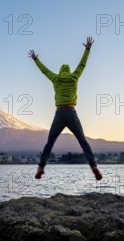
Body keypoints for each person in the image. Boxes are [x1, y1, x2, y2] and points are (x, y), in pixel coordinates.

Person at [29, 36, 103, 180]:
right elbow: (82, 64)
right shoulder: (74, 77)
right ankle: (94, 166)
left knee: (50, 142)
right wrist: (87, 49)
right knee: (83, 141)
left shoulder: (55, 78)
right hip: (71, 112)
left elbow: (44, 71)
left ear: (60, 71)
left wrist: (35, 59)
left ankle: (41, 167)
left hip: (59, 113)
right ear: (69, 71)